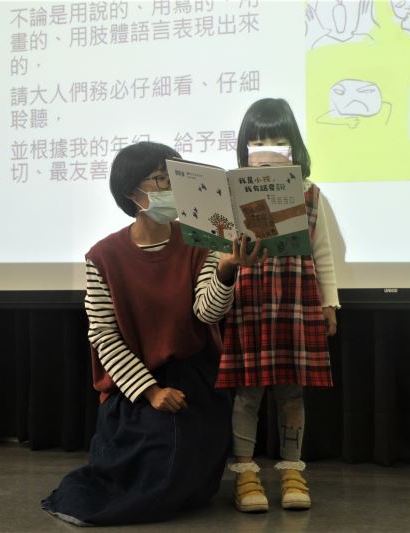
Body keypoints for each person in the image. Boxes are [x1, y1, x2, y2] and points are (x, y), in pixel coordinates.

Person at [41, 141, 264, 526]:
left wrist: (227, 269)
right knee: (145, 462)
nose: (172, 188)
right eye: (162, 179)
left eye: (176, 177)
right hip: (134, 384)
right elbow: (104, 337)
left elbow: (207, 312)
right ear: (132, 192)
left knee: (179, 465)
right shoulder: (102, 256)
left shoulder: (200, 241)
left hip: (194, 378)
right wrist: (151, 391)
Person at [215, 98, 340, 512]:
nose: (266, 150)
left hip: (295, 302)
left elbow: (323, 253)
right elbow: (219, 253)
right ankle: (245, 472)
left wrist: (329, 303)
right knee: (247, 393)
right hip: (249, 302)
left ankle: (291, 469)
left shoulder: (310, 193)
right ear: (245, 149)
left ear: (293, 147)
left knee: (291, 392)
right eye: (256, 142)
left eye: (277, 142)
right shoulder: (230, 196)